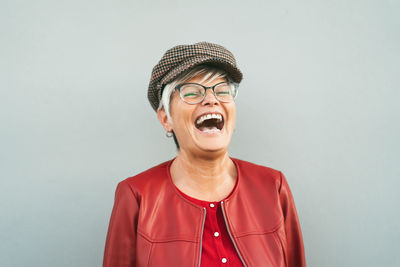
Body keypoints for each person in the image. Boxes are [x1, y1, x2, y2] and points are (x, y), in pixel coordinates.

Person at [103, 42, 306, 267]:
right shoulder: (136, 196)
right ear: (165, 119)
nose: (211, 99)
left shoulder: (273, 186)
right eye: (191, 92)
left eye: (222, 90)